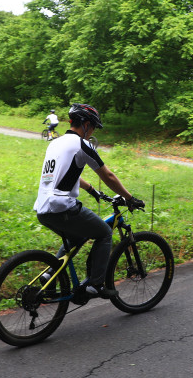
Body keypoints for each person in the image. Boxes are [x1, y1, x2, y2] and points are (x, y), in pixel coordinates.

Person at [33, 103, 144, 299]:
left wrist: (92, 190)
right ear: (85, 124)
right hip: (62, 207)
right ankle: (96, 284)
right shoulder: (82, 145)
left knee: (76, 236)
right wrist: (130, 198)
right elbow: (107, 175)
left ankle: (50, 274)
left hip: (43, 209)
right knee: (103, 233)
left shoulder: (55, 143)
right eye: (92, 127)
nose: (92, 131)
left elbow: (68, 174)